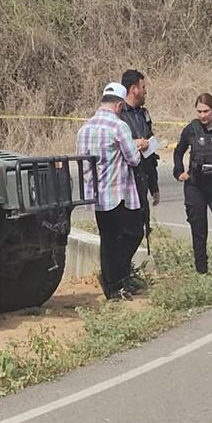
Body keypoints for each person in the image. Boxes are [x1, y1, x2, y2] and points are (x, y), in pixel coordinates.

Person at [76, 82, 150, 300]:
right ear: (119, 106)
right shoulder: (119, 127)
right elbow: (133, 159)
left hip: (97, 195)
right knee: (133, 233)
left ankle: (114, 288)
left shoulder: (84, 129)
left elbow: (83, 163)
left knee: (108, 240)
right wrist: (139, 145)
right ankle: (118, 279)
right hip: (118, 194)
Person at [173, 93, 212, 274]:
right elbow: (179, 151)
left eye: (206, 111)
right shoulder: (191, 129)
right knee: (198, 230)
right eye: (199, 111)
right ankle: (201, 271)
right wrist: (179, 172)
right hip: (195, 185)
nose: (202, 115)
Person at [119, 70, 159, 263]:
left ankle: (126, 272)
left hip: (143, 179)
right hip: (126, 183)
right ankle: (119, 276)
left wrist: (154, 185)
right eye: (143, 88)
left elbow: (151, 152)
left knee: (141, 228)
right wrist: (134, 143)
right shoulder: (119, 115)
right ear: (133, 89)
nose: (145, 92)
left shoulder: (143, 114)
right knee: (127, 231)